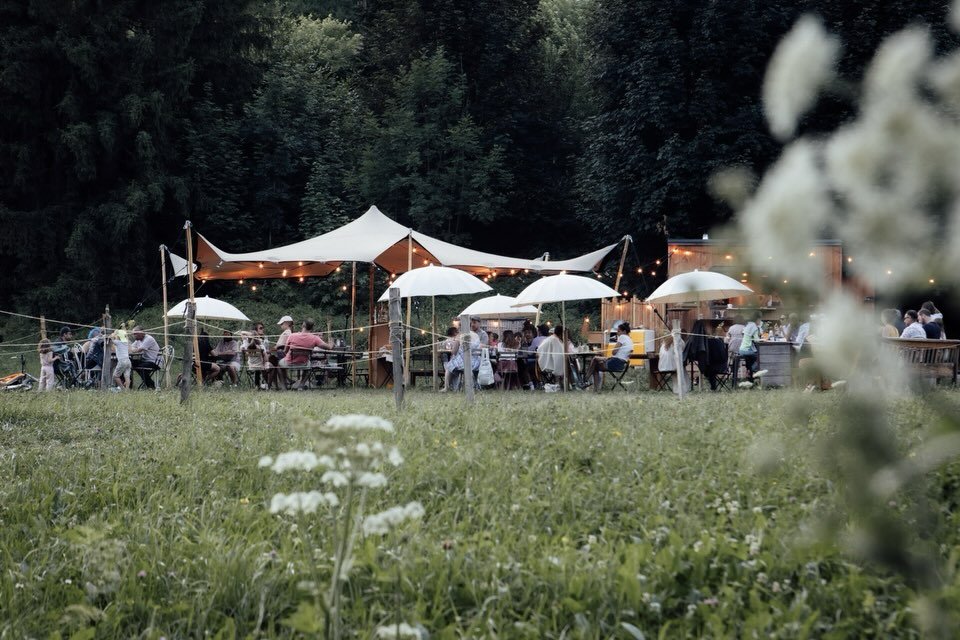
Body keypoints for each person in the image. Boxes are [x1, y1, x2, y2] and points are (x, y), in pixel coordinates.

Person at [280, 318, 332, 389]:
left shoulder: (292, 336)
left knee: (279, 364)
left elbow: (285, 351)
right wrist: (332, 343)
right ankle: (301, 385)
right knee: (309, 365)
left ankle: (283, 386)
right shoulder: (315, 338)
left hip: (289, 363)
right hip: (303, 363)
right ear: (312, 328)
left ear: (303, 325)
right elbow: (329, 347)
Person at [583, 322, 633, 392]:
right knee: (595, 364)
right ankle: (589, 384)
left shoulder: (622, 337)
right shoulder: (630, 340)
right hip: (621, 364)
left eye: (619, 331)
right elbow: (628, 354)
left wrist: (614, 350)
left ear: (624, 331)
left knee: (595, 361)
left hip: (615, 363)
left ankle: (585, 381)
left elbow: (614, 352)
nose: (617, 333)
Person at [269, 315, 295, 389]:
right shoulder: (289, 332)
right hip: (284, 354)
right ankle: (287, 379)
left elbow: (280, 345)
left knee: (272, 361)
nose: (280, 325)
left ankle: (278, 383)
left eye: (281, 324)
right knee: (273, 360)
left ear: (286, 323)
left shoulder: (287, 333)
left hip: (282, 354)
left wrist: (272, 349)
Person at [739, 312, 763, 381]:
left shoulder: (748, 325)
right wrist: (762, 339)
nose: (760, 321)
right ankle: (751, 371)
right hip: (747, 350)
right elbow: (757, 340)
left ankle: (749, 373)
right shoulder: (754, 327)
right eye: (760, 320)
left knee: (751, 358)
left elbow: (742, 333)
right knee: (760, 356)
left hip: (742, 349)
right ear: (758, 319)